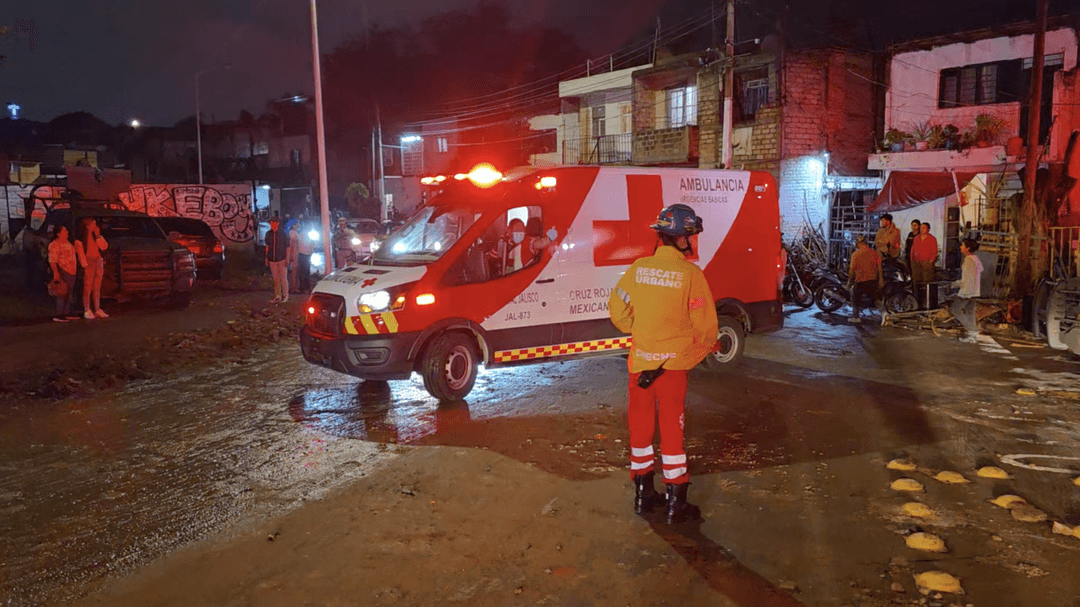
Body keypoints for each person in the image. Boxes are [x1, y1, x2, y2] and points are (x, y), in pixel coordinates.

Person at [608, 204, 718, 524]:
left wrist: (638, 329)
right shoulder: (691, 275)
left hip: (640, 366)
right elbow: (707, 330)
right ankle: (676, 504)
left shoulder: (639, 268)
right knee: (672, 433)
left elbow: (616, 307)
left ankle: (643, 495)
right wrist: (689, 357)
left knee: (640, 430)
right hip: (672, 370)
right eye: (690, 237)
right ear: (682, 239)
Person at [75, 217, 109, 319]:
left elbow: (104, 246)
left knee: (97, 287)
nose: (96, 226)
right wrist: (85, 266)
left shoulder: (97, 237)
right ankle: (87, 309)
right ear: (87, 226)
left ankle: (97, 309)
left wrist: (98, 235)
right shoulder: (80, 239)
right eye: (93, 224)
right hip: (88, 261)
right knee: (87, 287)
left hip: (98, 260)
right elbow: (81, 254)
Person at [951, 239, 984, 343]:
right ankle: (972, 335)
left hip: (967, 291)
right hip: (975, 290)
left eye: (963, 245)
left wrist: (955, 284)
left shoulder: (968, 260)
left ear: (967, 248)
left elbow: (966, 278)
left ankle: (972, 330)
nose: (960, 247)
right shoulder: (975, 258)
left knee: (955, 310)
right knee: (970, 312)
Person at [846, 236, 883, 324]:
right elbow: (879, 268)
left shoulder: (855, 254)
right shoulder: (874, 253)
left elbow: (852, 270)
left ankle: (856, 317)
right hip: (872, 280)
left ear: (858, 244)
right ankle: (885, 314)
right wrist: (881, 280)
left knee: (855, 298)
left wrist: (849, 282)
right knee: (876, 299)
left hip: (860, 281)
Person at [48, 226, 79, 323]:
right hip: (63, 270)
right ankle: (59, 313)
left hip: (71, 271)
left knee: (68, 292)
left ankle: (66, 312)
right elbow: (53, 260)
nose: (67, 232)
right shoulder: (54, 244)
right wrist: (55, 272)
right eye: (64, 230)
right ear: (58, 233)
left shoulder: (68, 243)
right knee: (61, 292)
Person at [909, 222, 939, 309]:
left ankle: (926, 302)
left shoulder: (932, 238)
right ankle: (916, 300)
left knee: (926, 281)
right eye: (921, 228)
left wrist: (931, 261)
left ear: (928, 229)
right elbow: (912, 249)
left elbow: (935, 251)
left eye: (924, 228)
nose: (921, 229)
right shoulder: (916, 238)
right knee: (916, 281)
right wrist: (912, 259)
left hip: (926, 262)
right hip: (916, 262)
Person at [265, 216, 290, 304]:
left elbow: (287, 247)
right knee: (276, 278)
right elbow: (267, 246)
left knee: (283, 278)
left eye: (273, 223)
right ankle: (278, 295)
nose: (271, 224)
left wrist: (287, 258)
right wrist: (266, 258)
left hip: (281, 258)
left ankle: (285, 296)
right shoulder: (268, 234)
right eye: (271, 223)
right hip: (272, 259)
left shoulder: (283, 233)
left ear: (277, 223)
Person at [22, 225, 47, 291]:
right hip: (32, 254)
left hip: (31, 254)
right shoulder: (33, 235)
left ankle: (31, 285)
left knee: (31, 271)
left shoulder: (29, 233)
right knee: (34, 270)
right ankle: (36, 286)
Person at [286, 220, 300, 294]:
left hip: (295, 255)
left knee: (294, 271)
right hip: (293, 255)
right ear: (294, 225)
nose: (299, 226)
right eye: (297, 224)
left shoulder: (293, 233)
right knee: (293, 272)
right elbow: (291, 244)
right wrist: (291, 255)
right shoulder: (293, 233)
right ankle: (293, 287)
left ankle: (293, 286)